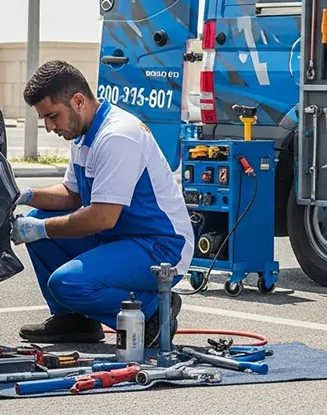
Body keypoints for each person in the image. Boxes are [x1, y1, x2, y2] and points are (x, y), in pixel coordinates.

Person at [10, 60, 193, 347]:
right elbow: (72, 195)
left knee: (66, 281)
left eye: (52, 116)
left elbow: (101, 218)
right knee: (39, 216)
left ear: (78, 101)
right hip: (122, 237)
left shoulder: (118, 136)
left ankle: (153, 312)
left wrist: (41, 228)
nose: (49, 127)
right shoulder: (83, 135)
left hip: (161, 247)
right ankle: (75, 321)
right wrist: (23, 194)